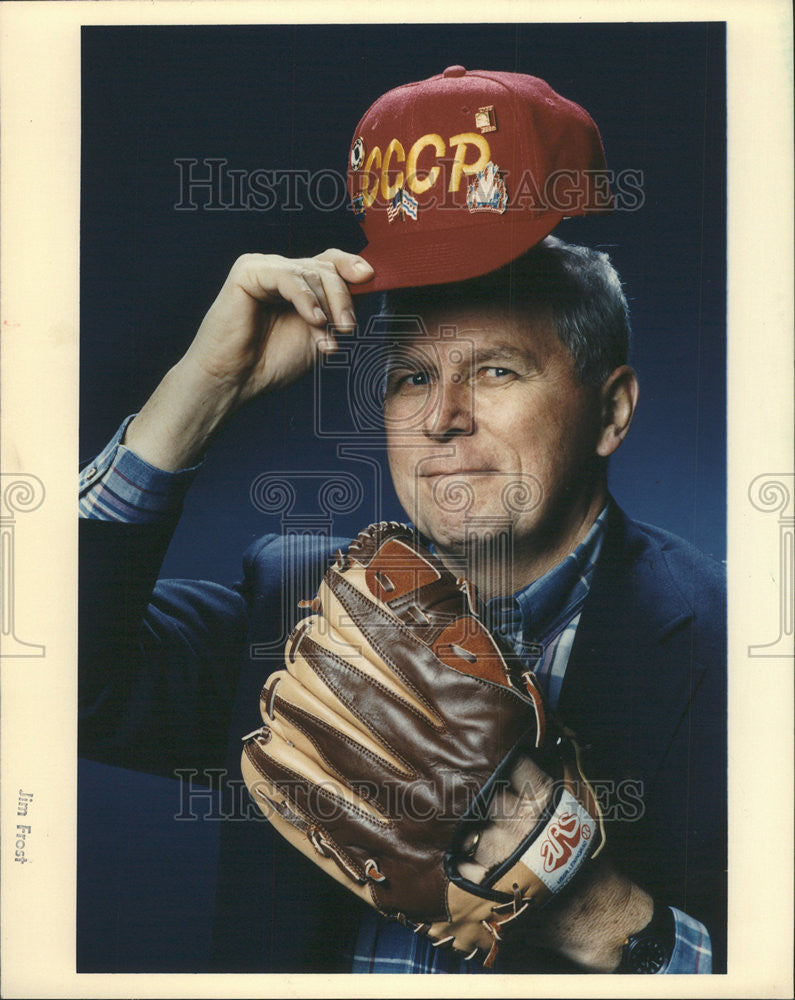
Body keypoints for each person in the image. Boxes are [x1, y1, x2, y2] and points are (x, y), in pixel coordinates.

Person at [78, 67, 725, 975]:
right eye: (411, 377)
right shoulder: (291, 605)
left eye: (495, 370)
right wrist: (201, 388)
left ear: (612, 413)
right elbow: (37, 672)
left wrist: (597, 912)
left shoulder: (737, 652)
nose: (440, 418)